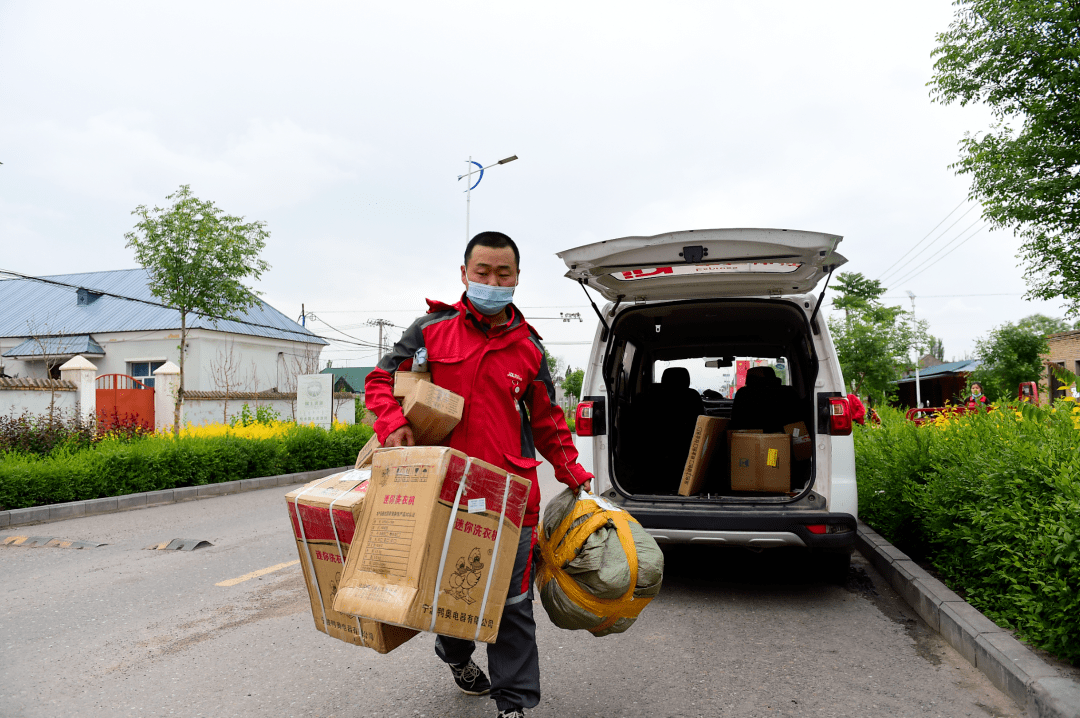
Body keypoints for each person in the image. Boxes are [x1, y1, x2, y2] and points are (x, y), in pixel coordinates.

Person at [363, 231, 593, 718]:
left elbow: (548, 417)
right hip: (444, 490)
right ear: (464, 274)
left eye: (502, 274)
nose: (492, 281)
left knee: (512, 603)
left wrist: (571, 471)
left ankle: (513, 703)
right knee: (454, 591)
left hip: (512, 493)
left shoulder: (528, 346)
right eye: (482, 273)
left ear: (516, 278)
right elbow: (380, 379)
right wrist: (393, 425)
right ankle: (456, 654)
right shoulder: (431, 330)